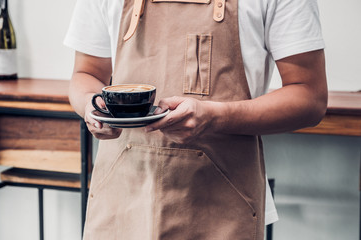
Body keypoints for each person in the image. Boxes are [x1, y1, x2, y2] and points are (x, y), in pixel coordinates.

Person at [64, 0, 327, 239]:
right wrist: (91, 107)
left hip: (222, 208)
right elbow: (85, 74)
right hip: (120, 202)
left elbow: (310, 97)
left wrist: (216, 117)